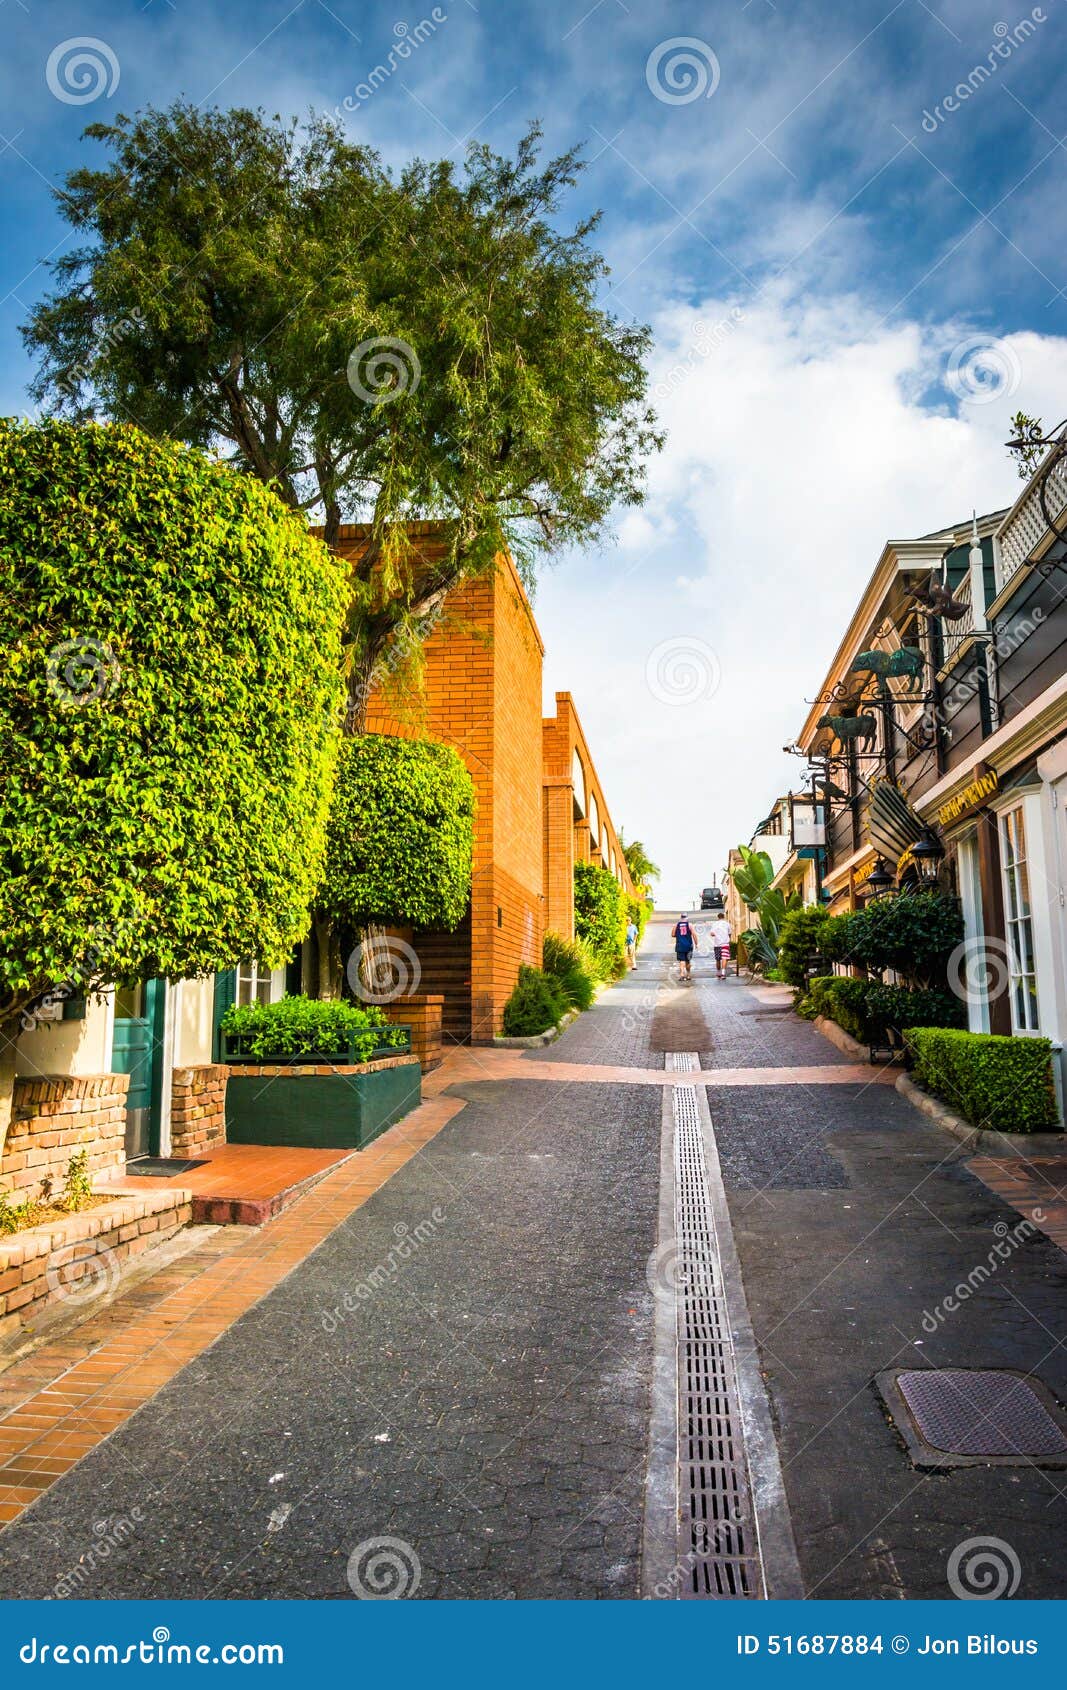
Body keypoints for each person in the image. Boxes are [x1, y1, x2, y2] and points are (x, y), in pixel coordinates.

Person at [671, 913, 697, 983]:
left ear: (681, 918)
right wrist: (696, 943)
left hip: (680, 945)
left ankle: (682, 974)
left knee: (682, 960)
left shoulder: (676, 925)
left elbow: (673, 934)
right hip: (688, 946)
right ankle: (688, 975)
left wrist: (679, 935)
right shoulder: (690, 925)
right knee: (688, 960)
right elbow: (694, 934)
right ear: (687, 918)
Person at [710, 913, 732, 980]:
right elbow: (729, 933)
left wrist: (716, 934)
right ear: (724, 917)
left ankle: (718, 973)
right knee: (724, 958)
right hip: (725, 944)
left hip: (717, 944)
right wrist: (728, 940)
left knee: (718, 959)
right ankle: (723, 973)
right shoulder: (727, 924)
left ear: (718, 917)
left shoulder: (714, 924)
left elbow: (712, 934)